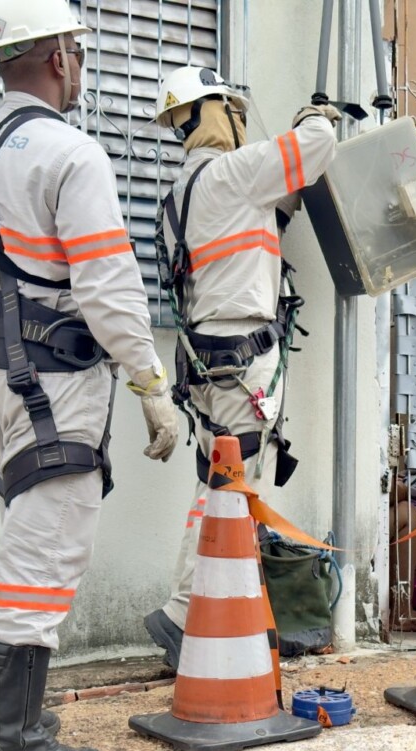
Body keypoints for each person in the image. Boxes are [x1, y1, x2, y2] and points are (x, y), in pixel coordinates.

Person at [0, 0, 179, 751]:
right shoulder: (70, 152)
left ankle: (22, 716)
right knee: (44, 548)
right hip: (53, 376)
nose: (80, 64)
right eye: (77, 50)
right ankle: (10, 739)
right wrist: (150, 383)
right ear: (56, 58)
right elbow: (108, 284)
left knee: (28, 532)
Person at [142, 67, 339, 669]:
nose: (241, 120)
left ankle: (213, 610)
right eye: (233, 108)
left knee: (216, 483)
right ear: (210, 112)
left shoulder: (184, 192)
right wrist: (313, 119)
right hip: (238, 364)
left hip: (208, 367)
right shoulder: (232, 173)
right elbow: (314, 148)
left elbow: (267, 211)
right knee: (229, 488)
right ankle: (186, 614)